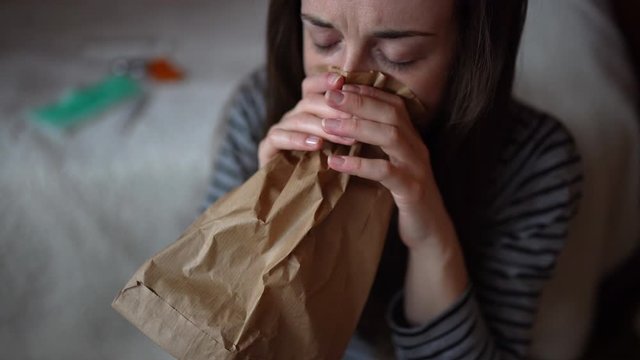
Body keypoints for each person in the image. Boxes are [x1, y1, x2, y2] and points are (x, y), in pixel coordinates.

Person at [203, 0, 583, 358]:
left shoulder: (536, 160)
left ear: (467, 51)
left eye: (400, 56)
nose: (345, 83)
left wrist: (431, 235)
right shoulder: (261, 108)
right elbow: (209, 328)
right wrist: (265, 214)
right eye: (325, 40)